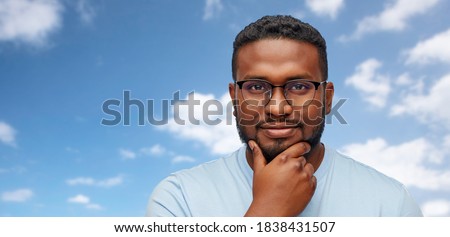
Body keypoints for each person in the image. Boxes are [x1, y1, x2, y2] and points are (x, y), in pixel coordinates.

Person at [146, 15, 423, 217]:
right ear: (235, 98)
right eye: (256, 87)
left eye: (299, 86)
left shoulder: (392, 205)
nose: (277, 108)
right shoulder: (179, 198)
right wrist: (268, 212)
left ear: (326, 98)